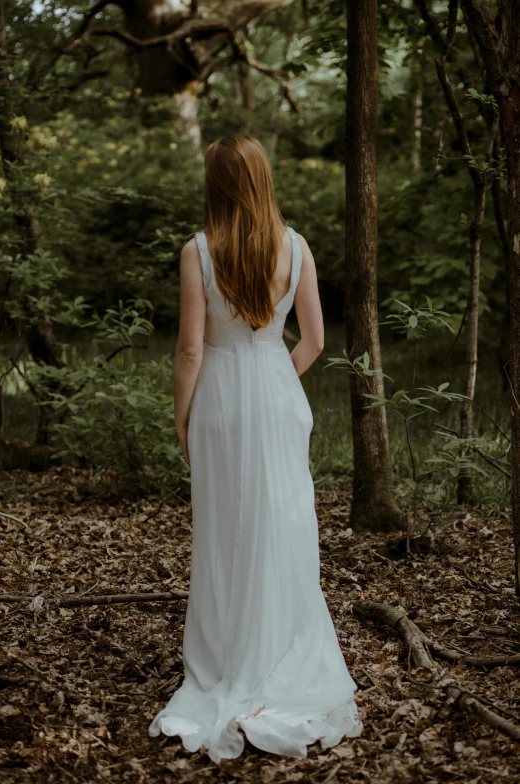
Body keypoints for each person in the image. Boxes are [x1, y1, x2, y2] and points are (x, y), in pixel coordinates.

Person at [149, 136, 362, 762]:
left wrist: (182, 417)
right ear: (263, 181)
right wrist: (270, 383)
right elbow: (316, 341)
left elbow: (190, 350)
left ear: (215, 184)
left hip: (218, 405)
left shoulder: (197, 251)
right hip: (277, 397)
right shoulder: (295, 248)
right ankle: (280, 653)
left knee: (224, 530)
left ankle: (227, 659)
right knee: (283, 524)